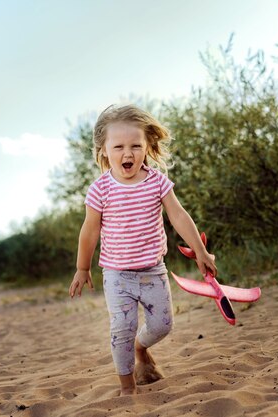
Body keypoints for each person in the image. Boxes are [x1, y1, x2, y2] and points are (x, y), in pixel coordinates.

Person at [69, 104, 217, 396]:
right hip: (117, 275)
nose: (128, 153)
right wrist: (83, 267)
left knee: (162, 326)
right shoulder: (100, 189)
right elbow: (89, 230)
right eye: (119, 146)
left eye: (136, 145)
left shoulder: (156, 182)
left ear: (148, 146)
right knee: (121, 328)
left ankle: (142, 347)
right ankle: (128, 387)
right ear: (104, 150)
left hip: (153, 270)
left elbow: (178, 215)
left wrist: (200, 250)